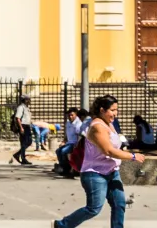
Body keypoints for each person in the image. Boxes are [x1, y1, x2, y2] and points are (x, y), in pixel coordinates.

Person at [51, 94, 128, 228]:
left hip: (112, 171)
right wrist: (133, 156)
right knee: (93, 208)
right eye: (113, 110)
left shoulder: (110, 124)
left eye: (117, 110)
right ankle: (61, 225)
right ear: (102, 110)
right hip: (95, 173)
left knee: (119, 203)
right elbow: (108, 150)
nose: (116, 113)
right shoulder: (97, 126)